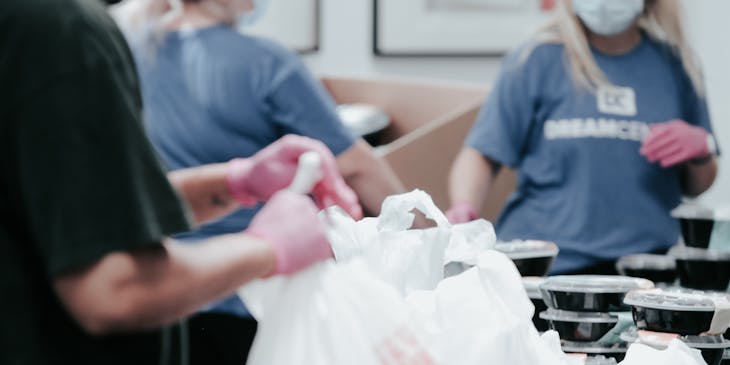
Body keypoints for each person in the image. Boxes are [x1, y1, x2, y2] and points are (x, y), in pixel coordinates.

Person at [0, 0, 361, 363]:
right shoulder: (58, 29)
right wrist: (270, 246)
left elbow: (88, 211)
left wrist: (237, 182)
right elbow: (114, 289)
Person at [109, 0, 407, 362]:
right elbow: (358, 166)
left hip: (164, 287)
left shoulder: (127, 55)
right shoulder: (265, 63)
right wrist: (432, 235)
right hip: (248, 293)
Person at [447, 0, 719, 275]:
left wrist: (701, 152)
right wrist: (465, 207)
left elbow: (696, 186)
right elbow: (480, 155)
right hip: (545, 269)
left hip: (645, 273)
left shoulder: (675, 67)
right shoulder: (535, 61)